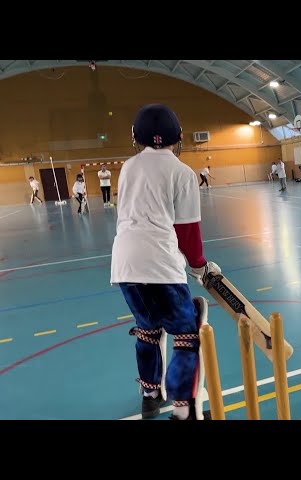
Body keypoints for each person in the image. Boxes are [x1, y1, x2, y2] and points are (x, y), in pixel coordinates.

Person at [110, 103, 221, 420]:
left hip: (125, 264)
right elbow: (187, 230)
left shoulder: (128, 167)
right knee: (186, 335)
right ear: (180, 136)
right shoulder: (183, 173)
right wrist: (200, 267)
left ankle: (149, 394)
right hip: (161, 264)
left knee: (147, 328)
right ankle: (184, 412)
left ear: (136, 137)